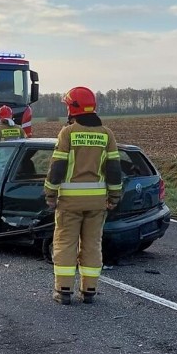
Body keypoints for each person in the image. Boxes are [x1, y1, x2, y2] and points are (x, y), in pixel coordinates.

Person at [44, 86, 122, 305]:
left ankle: (64, 290)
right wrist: (114, 197)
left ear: (72, 108)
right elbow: (114, 170)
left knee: (65, 243)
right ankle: (89, 290)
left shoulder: (68, 133)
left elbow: (57, 167)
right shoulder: (107, 134)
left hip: (69, 202)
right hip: (97, 202)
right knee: (92, 245)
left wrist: (50, 193)